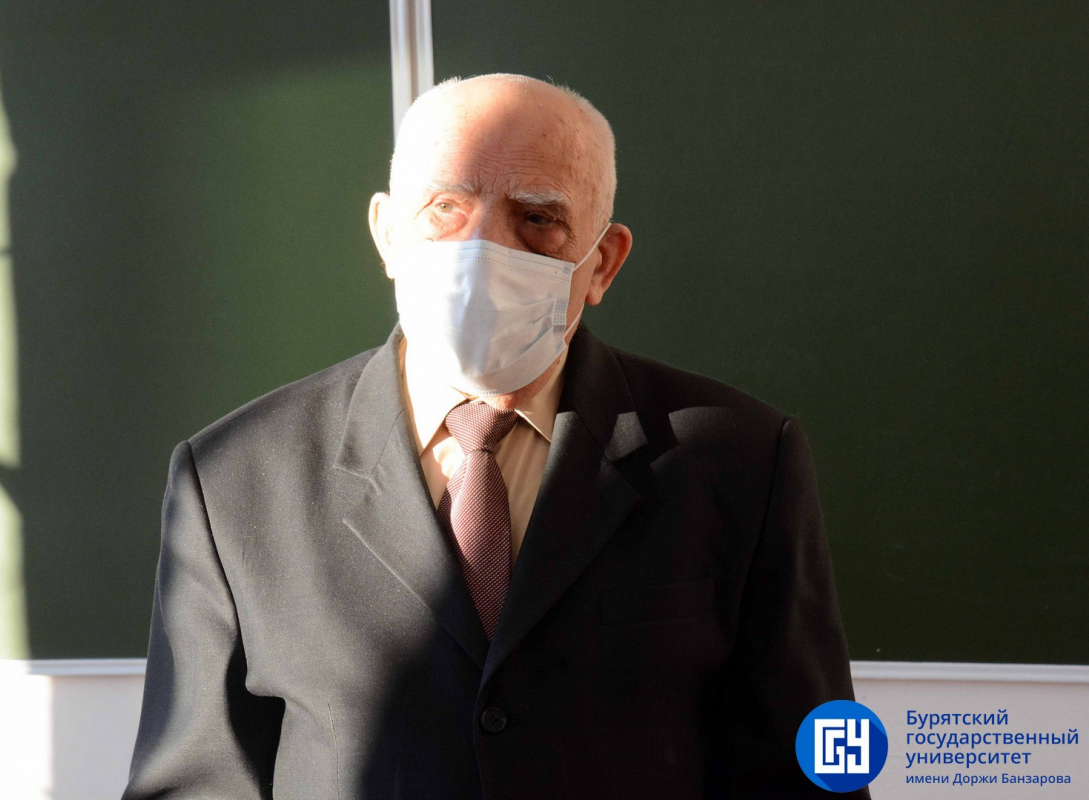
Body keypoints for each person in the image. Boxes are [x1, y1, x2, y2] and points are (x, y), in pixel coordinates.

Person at [122, 73, 865, 800]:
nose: (479, 251)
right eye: (445, 207)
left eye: (537, 218)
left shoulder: (739, 458)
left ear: (602, 263)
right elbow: (195, 783)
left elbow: (805, 773)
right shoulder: (234, 477)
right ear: (387, 234)